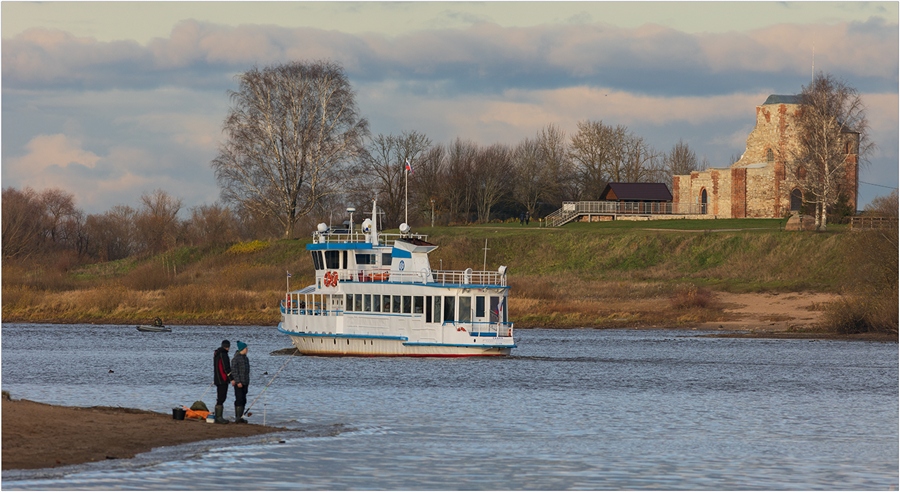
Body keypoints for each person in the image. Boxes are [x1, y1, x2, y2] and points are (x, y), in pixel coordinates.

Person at [212, 340, 233, 424]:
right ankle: (218, 417)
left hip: (217, 379)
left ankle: (218, 416)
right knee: (222, 397)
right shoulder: (223, 354)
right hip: (222, 379)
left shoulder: (217, 354)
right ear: (227, 347)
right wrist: (231, 378)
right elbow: (226, 368)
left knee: (220, 397)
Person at [231, 341, 250, 424]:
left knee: (244, 400)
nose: (247, 350)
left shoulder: (246, 358)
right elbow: (234, 371)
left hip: (245, 382)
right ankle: (237, 417)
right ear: (242, 349)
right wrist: (238, 381)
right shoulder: (236, 358)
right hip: (239, 383)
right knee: (239, 399)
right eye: (246, 348)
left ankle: (241, 416)